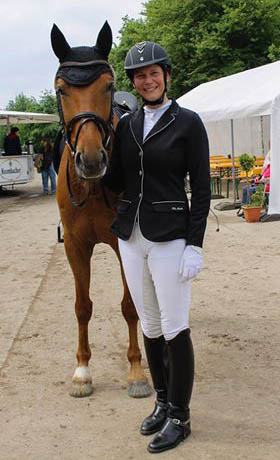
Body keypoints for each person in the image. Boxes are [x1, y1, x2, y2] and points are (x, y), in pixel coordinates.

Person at [103, 41, 211, 453]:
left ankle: (181, 417)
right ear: (133, 82)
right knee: (148, 324)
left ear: (166, 76)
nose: (147, 80)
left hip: (170, 235)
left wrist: (194, 244)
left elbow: (201, 190)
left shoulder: (188, 122)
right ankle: (163, 402)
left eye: (153, 73)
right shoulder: (127, 125)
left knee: (174, 325)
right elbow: (115, 180)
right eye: (139, 76)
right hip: (131, 236)